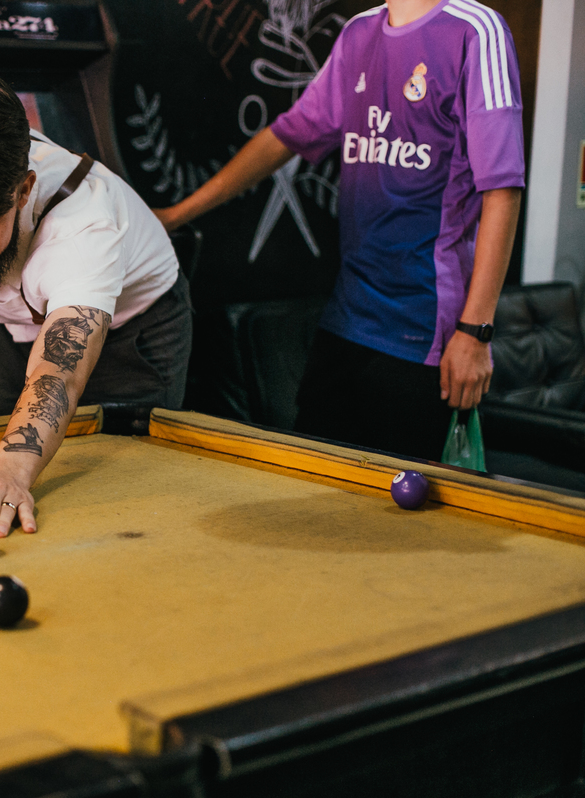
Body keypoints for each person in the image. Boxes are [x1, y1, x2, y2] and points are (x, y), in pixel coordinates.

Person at [154, 0, 524, 462]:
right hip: (347, 318)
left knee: (401, 501)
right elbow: (288, 134)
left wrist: (475, 331)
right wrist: (177, 214)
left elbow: (502, 190)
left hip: (423, 332)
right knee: (312, 481)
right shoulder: (358, 32)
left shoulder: (476, 30)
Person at [0, 54, 191, 537]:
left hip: (133, 335)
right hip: (20, 324)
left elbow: (58, 373)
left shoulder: (84, 229)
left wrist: (11, 470)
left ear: (23, 190)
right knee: (6, 463)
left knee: (123, 494)